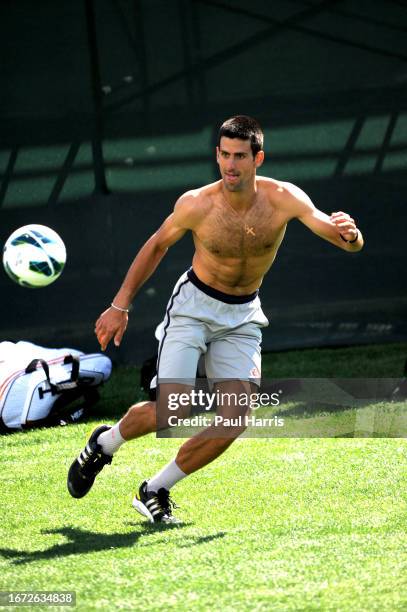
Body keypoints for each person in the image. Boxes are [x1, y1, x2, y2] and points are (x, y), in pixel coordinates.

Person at [67, 115, 364, 524]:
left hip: (242, 315)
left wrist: (351, 235)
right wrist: (120, 306)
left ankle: (156, 488)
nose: (230, 165)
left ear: (258, 158)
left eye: (240, 156)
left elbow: (339, 238)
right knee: (171, 411)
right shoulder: (196, 204)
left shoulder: (283, 197)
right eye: (224, 154)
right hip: (193, 308)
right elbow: (155, 247)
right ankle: (104, 443)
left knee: (237, 416)